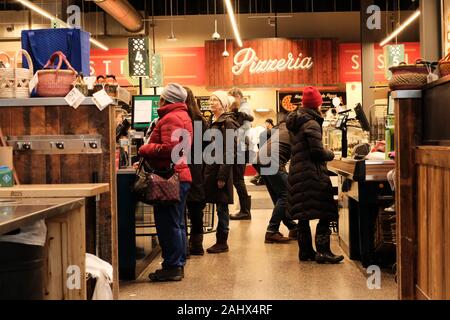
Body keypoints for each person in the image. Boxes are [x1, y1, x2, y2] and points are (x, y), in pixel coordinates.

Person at [138, 83, 193, 281]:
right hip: (179, 175)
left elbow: (171, 149)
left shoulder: (171, 117)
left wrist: (145, 149)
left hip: (170, 177)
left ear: (166, 99)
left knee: (168, 224)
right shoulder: (182, 116)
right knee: (176, 223)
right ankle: (176, 263)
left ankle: (172, 266)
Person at [286, 86, 344, 264]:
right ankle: (323, 252)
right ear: (317, 105)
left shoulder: (297, 121)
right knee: (326, 212)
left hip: (298, 172)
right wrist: (332, 154)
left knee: (303, 216)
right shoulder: (311, 122)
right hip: (312, 173)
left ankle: (305, 252)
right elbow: (317, 152)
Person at [204, 91, 240, 254]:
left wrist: (222, 176)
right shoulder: (215, 121)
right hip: (212, 170)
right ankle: (220, 241)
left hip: (220, 172)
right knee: (219, 206)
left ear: (223, 103)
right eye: (210, 99)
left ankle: (222, 241)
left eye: (215, 100)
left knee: (222, 207)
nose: (211, 102)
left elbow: (229, 151)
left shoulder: (228, 123)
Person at [258, 113, 298, 243]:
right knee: (286, 194)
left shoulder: (280, 126)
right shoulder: (295, 130)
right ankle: (271, 231)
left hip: (260, 159)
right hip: (272, 161)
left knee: (279, 196)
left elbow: (263, 136)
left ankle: (292, 227)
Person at [184, 87, 208, 255]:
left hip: (182, 165)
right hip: (198, 167)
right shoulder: (200, 119)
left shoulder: (180, 119)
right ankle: (197, 245)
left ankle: (183, 243)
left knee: (180, 208)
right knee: (196, 208)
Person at [228, 88, 254, 220]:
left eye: (232, 98)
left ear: (237, 96)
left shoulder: (243, 108)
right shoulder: (243, 107)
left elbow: (245, 127)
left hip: (240, 148)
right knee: (238, 180)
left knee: (238, 180)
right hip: (241, 147)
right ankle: (245, 210)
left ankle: (245, 211)